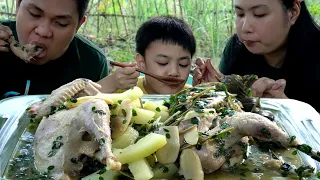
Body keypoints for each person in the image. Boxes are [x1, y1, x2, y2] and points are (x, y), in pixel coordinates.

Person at [193, 0, 320, 111]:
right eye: (240, 14)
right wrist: (215, 91)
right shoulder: (236, 48)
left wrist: (286, 109)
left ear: (293, 12)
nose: (245, 27)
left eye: (259, 14)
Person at [0, 0, 109, 98]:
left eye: (61, 24)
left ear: (78, 25)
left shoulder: (92, 64)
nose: (43, 31)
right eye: (35, 14)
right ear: (18, 5)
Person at [98, 15, 196, 94]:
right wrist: (110, 83)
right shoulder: (125, 92)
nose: (174, 72)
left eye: (183, 64)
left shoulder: (192, 95)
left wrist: (207, 88)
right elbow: (85, 103)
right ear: (142, 62)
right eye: (163, 62)